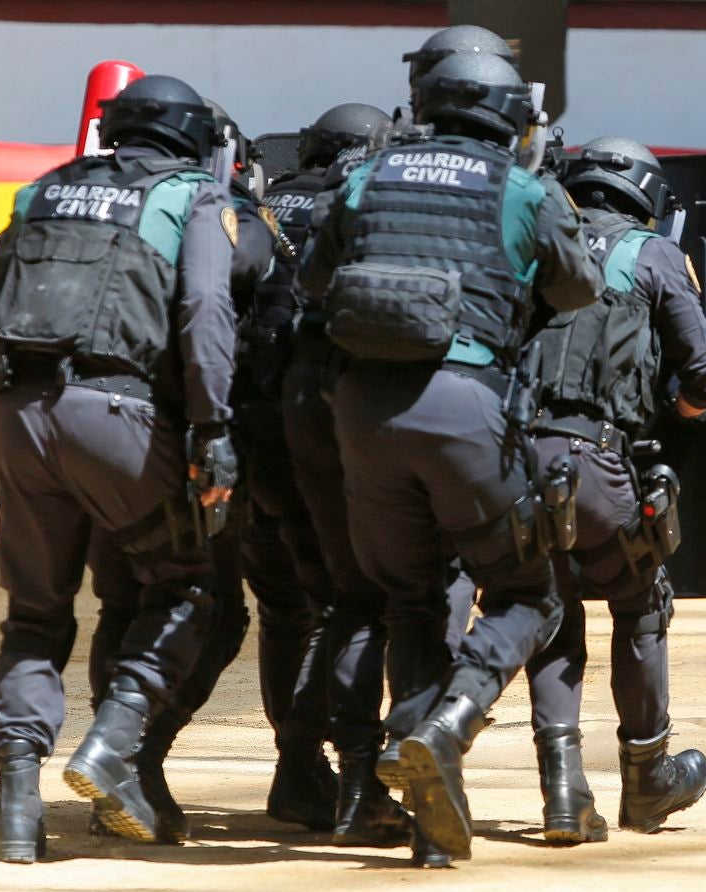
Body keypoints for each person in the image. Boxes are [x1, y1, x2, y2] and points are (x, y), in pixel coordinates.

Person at [300, 51, 602, 866]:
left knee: (410, 599)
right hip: (464, 403)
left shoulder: (369, 176)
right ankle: (450, 721)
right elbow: (578, 288)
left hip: (362, 411)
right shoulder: (520, 186)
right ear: (509, 115)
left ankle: (433, 822)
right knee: (526, 591)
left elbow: (315, 275)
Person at [0, 73, 236, 860]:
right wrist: (213, 427)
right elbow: (205, 314)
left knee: (37, 613)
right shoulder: (192, 198)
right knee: (186, 585)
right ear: (191, 138)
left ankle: (17, 809)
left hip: (17, 414)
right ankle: (112, 742)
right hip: (119, 415)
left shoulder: (42, 190)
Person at [83, 102, 340, 842]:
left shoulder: (127, 203)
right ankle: (300, 770)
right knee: (299, 609)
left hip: (151, 433)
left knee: (146, 603)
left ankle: (133, 768)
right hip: (266, 447)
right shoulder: (234, 209)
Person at [523, 136, 706, 843]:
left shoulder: (536, 240)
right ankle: (646, 784)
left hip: (517, 461)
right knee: (640, 603)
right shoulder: (656, 255)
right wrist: (678, 416)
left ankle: (562, 790)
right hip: (602, 463)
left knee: (547, 609)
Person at [273, 101, 415, 847]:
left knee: (285, 606)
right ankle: (335, 773)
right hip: (348, 420)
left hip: (256, 423)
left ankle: (304, 770)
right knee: (365, 603)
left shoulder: (265, 199)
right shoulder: (375, 198)